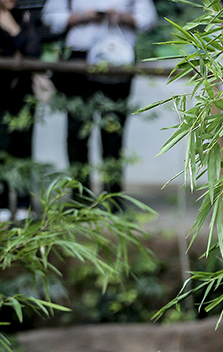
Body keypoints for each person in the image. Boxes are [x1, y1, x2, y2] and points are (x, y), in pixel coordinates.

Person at [42, 0, 156, 202]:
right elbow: (50, 17)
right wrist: (81, 17)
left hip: (118, 57)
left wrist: (122, 18)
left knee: (113, 132)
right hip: (78, 58)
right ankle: (80, 198)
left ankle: (113, 198)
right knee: (77, 132)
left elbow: (148, 19)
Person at [0, 0, 41, 223]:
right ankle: (3, 204)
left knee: (23, 146)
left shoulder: (24, 16)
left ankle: (25, 204)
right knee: (1, 148)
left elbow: (34, 52)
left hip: (22, 95)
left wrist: (12, 29)